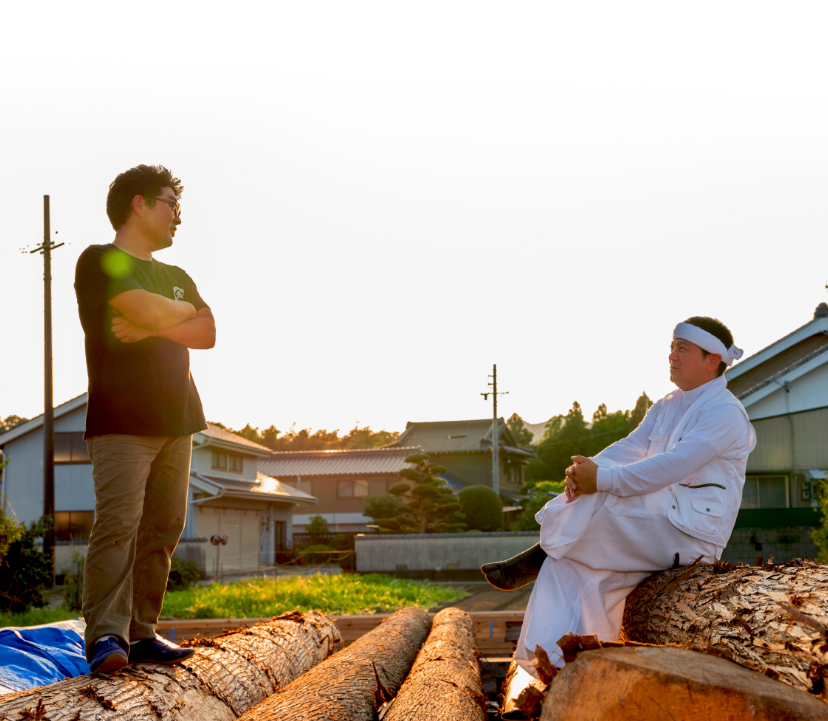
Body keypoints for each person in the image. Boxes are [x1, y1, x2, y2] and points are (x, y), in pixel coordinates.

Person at [482, 317, 756, 675]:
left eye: (682, 348)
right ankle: (548, 671)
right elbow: (630, 447)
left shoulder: (725, 413)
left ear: (712, 360)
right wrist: (587, 471)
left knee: (588, 513)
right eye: (672, 346)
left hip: (692, 532)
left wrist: (602, 480)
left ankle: (544, 547)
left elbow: (673, 465)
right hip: (657, 518)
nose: (671, 355)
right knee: (569, 567)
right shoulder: (668, 404)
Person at [74, 165, 216, 674]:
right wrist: (178, 318)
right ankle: (105, 637)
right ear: (139, 204)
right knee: (119, 527)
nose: (179, 215)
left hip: (179, 419)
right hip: (122, 420)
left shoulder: (178, 276)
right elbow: (186, 321)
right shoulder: (100, 262)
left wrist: (155, 322)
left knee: (163, 529)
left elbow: (210, 332)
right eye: (171, 204)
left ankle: (142, 632)